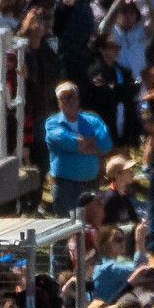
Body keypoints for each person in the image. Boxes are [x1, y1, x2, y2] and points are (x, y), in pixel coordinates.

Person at [42, 79, 110, 212]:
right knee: (67, 228)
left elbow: (106, 144)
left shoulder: (93, 120)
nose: (68, 101)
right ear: (58, 103)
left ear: (78, 99)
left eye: (71, 97)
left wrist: (81, 144)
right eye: (64, 98)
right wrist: (91, 143)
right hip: (65, 186)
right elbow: (71, 143)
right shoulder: (52, 123)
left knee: (90, 227)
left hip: (91, 185)